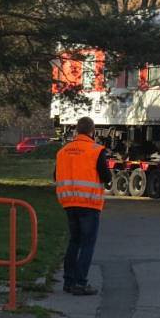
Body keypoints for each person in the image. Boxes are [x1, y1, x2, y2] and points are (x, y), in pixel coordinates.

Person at [54, 117, 112, 296]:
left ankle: (68, 282)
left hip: (69, 202)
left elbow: (56, 175)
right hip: (89, 203)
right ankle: (80, 283)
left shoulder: (63, 151)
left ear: (76, 131)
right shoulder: (96, 150)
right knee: (87, 244)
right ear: (92, 131)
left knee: (74, 241)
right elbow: (105, 176)